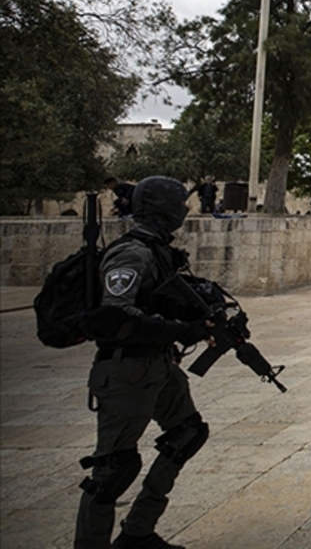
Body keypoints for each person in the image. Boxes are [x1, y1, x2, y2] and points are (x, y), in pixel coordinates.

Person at [75, 176, 212, 549]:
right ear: (162, 209)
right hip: (126, 371)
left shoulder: (159, 249)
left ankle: (138, 531)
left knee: (188, 433)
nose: (185, 210)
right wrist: (181, 330)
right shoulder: (131, 253)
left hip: (159, 365)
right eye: (179, 204)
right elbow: (116, 317)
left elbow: (163, 299)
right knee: (114, 468)